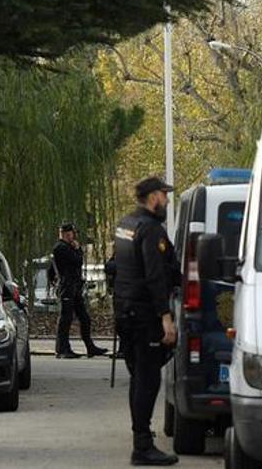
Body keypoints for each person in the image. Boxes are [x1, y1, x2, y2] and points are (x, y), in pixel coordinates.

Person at [112, 176, 180, 466]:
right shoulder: (151, 230)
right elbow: (155, 276)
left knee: (138, 377)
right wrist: (166, 318)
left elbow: (114, 266)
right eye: (164, 195)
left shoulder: (125, 225)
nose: (166, 200)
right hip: (144, 314)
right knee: (148, 379)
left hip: (125, 311)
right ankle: (142, 447)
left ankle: (141, 440)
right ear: (153, 197)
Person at [52, 223, 109, 359]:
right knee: (66, 319)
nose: (74, 236)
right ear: (67, 234)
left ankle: (90, 347)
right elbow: (77, 261)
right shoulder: (61, 248)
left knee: (84, 318)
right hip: (67, 287)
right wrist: (78, 250)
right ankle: (62, 349)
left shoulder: (66, 247)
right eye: (72, 233)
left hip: (75, 287)